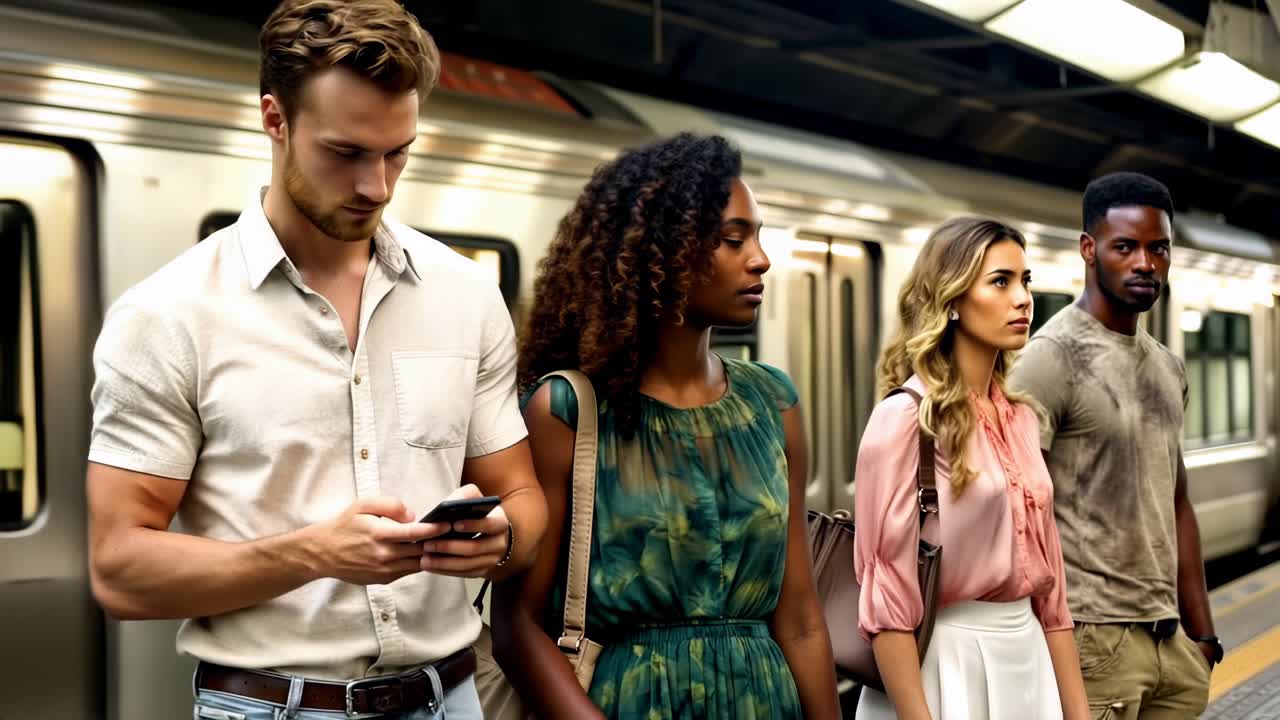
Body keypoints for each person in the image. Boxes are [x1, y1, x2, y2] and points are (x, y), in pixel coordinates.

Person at [85, 2, 547, 718]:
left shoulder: (467, 295)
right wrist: (314, 554)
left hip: (452, 697)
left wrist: (500, 538)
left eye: (398, 152)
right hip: (273, 707)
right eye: (347, 153)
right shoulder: (166, 316)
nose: (379, 186)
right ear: (274, 119)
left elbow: (522, 501)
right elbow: (119, 572)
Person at [489, 133, 840, 719]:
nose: (760, 258)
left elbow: (800, 620)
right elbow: (517, 627)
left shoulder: (773, 404)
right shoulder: (567, 411)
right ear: (663, 251)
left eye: (758, 236)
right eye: (733, 240)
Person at [854, 217, 1090, 720]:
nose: (1023, 299)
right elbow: (888, 601)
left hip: (1027, 662)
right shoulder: (903, 420)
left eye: (1024, 281)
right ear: (953, 300)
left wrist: (1078, 713)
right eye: (1000, 282)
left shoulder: (1023, 419)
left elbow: (1053, 601)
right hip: (944, 665)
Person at [1009, 172, 1218, 718]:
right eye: (1125, 246)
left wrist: (1204, 635)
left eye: (1159, 248)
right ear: (1088, 249)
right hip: (1092, 637)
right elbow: (1017, 506)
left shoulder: (1167, 366)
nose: (1145, 263)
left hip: (1169, 642)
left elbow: (1177, 503)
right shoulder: (1051, 358)